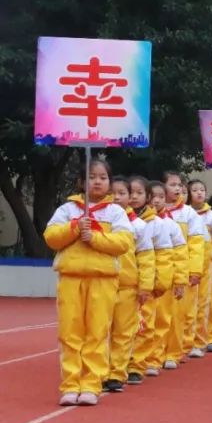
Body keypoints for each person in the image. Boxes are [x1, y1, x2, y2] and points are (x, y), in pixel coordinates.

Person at [44, 159, 134, 406]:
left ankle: (92, 384)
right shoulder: (67, 210)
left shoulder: (116, 212)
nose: (97, 181)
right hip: (71, 278)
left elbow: (123, 243)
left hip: (102, 279)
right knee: (70, 333)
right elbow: (51, 238)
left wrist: (94, 237)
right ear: (82, 182)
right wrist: (74, 228)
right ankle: (71, 384)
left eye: (103, 177)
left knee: (96, 332)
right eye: (92, 177)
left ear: (109, 182)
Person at [103, 176, 154, 393]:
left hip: (127, 287)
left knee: (123, 332)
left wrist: (145, 286)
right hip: (101, 283)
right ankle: (99, 372)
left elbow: (146, 258)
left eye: (122, 193)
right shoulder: (100, 222)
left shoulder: (139, 226)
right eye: (112, 193)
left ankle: (116, 374)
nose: (117, 197)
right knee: (100, 331)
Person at [127, 176, 173, 385]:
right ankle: (119, 362)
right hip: (123, 283)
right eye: (131, 192)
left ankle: (138, 365)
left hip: (147, 283)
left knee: (145, 324)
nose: (134, 196)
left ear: (147, 197)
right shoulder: (118, 219)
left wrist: (159, 283)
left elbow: (164, 257)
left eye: (139, 193)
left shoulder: (157, 224)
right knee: (123, 326)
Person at [141, 181, 187, 379]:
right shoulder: (138, 222)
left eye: (161, 196)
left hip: (164, 282)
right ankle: (140, 358)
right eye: (153, 196)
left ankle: (154, 358)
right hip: (143, 281)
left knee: (161, 320)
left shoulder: (170, 224)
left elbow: (180, 254)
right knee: (142, 322)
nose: (157, 200)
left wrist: (179, 280)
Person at [162, 171, 206, 367]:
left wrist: (195, 271)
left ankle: (172, 352)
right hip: (160, 270)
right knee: (157, 314)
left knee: (178, 313)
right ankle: (154, 353)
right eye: (172, 184)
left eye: (180, 185)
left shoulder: (188, 213)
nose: (178, 188)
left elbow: (196, 244)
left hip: (181, 270)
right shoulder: (154, 210)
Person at [188, 180, 212, 357]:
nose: (198, 193)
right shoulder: (184, 213)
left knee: (206, 303)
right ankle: (187, 340)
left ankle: (206, 338)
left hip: (207, 265)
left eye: (202, 190)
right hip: (188, 263)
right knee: (188, 304)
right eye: (195, 190)